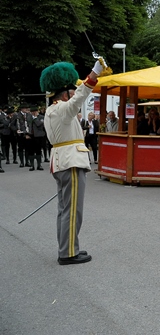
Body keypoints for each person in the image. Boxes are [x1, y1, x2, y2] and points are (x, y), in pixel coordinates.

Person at [40, 59, 104, 265]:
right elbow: (80, 96)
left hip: (61, 162)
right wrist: (94, 74)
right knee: (72, 210)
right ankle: (68, 253)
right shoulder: (62, 109)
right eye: (70, 92)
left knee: (64, 209)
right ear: (65, 94)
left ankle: (67, 247)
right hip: (71, 162)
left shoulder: (52, 110)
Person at [11, 103, 32, 167]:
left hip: (27, 133)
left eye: (27, 108)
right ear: (22, 109)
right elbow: (12, 125)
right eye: (25, 108)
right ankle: (22, 162)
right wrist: (16, 130)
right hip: (20, 134)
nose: (26, 109)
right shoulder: (16, 115)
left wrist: (30, 132)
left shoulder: (29, 115)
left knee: (27, 148)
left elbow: (30, 124)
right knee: (20, 148)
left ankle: (27, 161)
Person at [30, 106, 46, 171]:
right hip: (31, 135)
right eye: (32, 112)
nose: (34, 113)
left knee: (38, 150)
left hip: (39, 136)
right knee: (31, 151)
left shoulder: (41, 117)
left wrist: (35, 118)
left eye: (35, 112)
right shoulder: (29, 117)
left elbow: (39, 124)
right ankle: (32, 165)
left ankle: (39, 165)